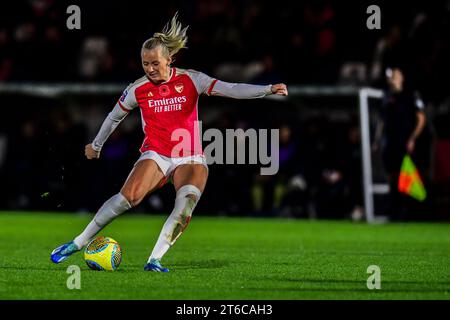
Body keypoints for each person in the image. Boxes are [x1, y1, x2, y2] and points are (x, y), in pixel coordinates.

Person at [50, 14, 288, 272]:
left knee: (184, 207)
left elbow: (231, 88)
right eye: (145, 64)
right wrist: (96, 145)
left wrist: (267, 89)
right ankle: (77, 243)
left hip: (190, 156)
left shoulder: (191, 79)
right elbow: (113, 117)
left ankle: (154, 260)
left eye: (155, 63)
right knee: (127, 197)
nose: (150, 69)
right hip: (157, 153)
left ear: (169, 60)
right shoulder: (138, 89)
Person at [373, 67, 428, 220]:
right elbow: (382, 121)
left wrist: (412, 138)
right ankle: (394, 212)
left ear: (402, 77)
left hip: (407, 144)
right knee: (392, 177)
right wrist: (377, 140)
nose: (392, 79)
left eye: (395, 76)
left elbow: (421, 119)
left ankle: (412, 213)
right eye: (390, 77)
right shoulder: (387, 97)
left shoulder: (411, 95)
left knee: (410, 179)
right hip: (391, 143)